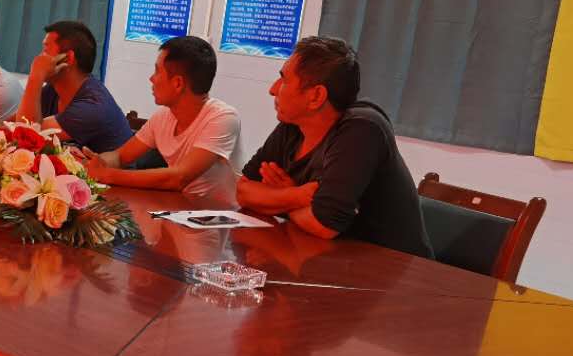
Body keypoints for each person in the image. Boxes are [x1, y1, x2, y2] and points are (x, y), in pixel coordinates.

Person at [237, 36, 432, 258]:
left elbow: (324, 225)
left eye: (284, 80)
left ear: (316, 96)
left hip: (395, 267)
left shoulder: (362, 129)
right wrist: (297, 195)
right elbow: (244, 191)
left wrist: (277, 197)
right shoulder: (293, 125)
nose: (273, 89)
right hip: (325, 259)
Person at [84, 36, 242, 206]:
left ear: (177, 83)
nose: (151, 79)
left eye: (157, 71)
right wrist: (98, 162)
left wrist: (107, 174)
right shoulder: (163, 116)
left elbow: (178, 178)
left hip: (222, 215)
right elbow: (120, 156)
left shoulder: (223, 118)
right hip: (181, 208)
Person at [13, 20, 132, 152]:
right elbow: (15, 123)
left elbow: (27, 136)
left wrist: (36, 75)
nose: (39, 59)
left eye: (45, 51)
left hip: (109, 166)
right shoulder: (54, 90)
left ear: (68, 58)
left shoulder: (92, 105)